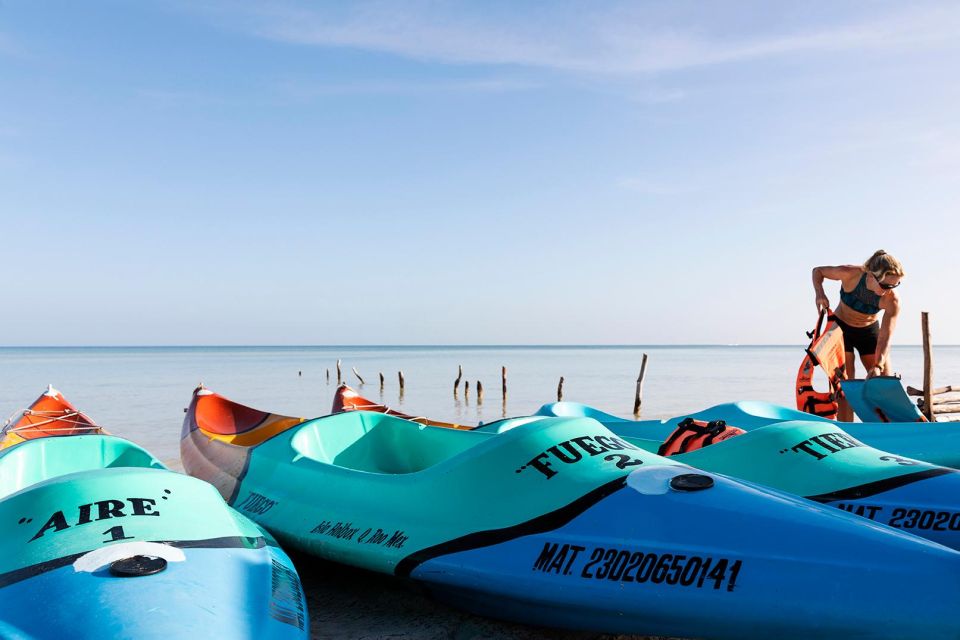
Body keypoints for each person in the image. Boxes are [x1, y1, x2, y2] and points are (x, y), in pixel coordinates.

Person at [811, 250, 904, 421]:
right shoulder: (850, 274)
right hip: (840, 330)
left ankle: (889, 430)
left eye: (894, 286)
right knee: (844, 386)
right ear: (871, 276)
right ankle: (848, 432)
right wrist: (820, 293)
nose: (888, 291)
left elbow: (886, 336)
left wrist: (878, 364)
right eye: (885, 286)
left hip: (868, 331)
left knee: (884, 382)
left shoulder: (892, 300)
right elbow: (818, 271)